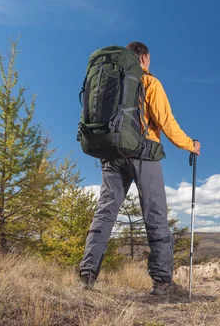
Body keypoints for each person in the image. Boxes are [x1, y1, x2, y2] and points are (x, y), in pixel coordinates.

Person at [79, 41, 201, 295]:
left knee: (105, 213)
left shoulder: (111, 78)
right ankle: (162, 282)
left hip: (112, 153)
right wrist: (190, 145)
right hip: (143, 153)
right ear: (143, 58)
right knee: (155, 214)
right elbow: (166, 121)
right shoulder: (148, 82)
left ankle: (87, 275)